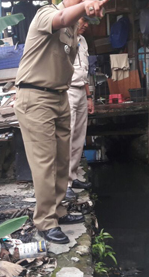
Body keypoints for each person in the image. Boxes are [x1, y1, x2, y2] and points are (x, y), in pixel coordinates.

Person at [14, 0, 109, 244]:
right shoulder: (47, 13)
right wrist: (82, 9)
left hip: (59, 97)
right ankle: (45, 221)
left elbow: (70, 25)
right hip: (35, 97)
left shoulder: (75, 31)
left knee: (61, 159)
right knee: (45, 163)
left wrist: (81, 16)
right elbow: (61, 18)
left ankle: (58, 210)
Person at [65, 17, 94, 201]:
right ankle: (65, 184)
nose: (86, 25)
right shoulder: (64, 38)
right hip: (67, 91)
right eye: (83, 20)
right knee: (66, 137)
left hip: (81, 91)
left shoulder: (82, 41)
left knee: (78, 136)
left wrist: (89, 96)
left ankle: (73, 176)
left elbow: (85, 71)